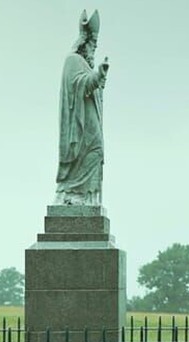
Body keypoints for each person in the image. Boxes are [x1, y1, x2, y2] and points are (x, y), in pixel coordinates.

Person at [55, 9, 110, 206]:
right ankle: (73, 193)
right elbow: (80, 84)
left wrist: (99, 79)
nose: (94, 49)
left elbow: (90, 84)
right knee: (94, 150)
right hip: (81, 127)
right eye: (92, 44)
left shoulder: (84, 63)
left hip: (90, 124)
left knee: (97, 152)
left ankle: (87, 196)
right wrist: (98, 77)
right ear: (84, 43)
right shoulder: (73, 60)